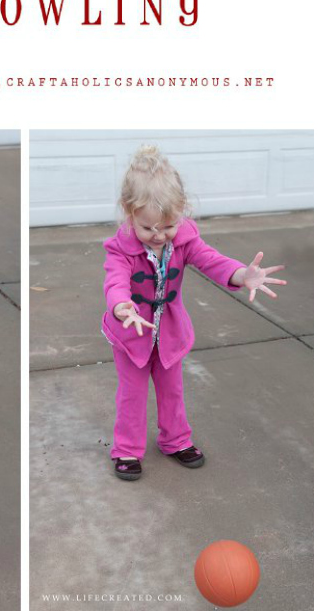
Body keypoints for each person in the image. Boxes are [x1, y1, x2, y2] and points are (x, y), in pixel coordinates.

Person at [103, 145, 286, 480]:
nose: (158, 236)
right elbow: (114, 281)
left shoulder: (184, 241)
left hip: (169, 332)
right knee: (132, 394)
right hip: (133, 334)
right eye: (148, 229)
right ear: (129, 215)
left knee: (172, 390)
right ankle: (127, 450)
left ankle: (175, 440)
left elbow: (212, 261)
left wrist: (242, 275)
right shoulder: (121, 249)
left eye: (167, 226)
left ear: (181, 213)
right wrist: (121, 305)